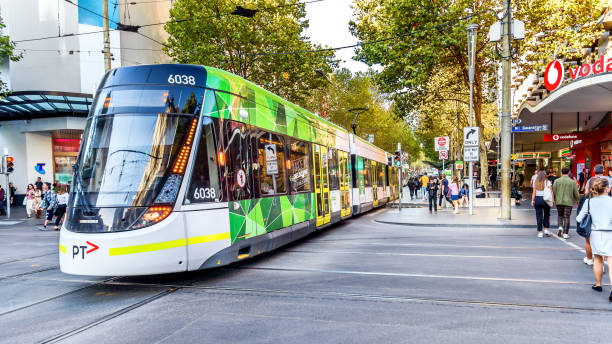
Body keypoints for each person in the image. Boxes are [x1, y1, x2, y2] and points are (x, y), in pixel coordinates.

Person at [576, 178, 612, 301]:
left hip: (595, 234)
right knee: (611, 262)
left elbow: (579, 218)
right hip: (610, 233)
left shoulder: (589, 202)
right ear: (607, 188)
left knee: (597, 259)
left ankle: (598, 284)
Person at [552, 167, 580, 239]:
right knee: (567, 217)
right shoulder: (572, 182)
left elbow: (553, 191)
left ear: (561, 172)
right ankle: (565, 233)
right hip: (568, 202)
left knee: (560, 215)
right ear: (569, 172)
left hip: (559, 201)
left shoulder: (557, 181)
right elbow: (576, 193)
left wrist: (554, 199)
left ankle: (560, 227)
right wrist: (578, 200)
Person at [531, 171, 553, 238]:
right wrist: (553, 200)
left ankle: (540, 232)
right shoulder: (548, 182)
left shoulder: (535, 182)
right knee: (546, 214)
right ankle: (546, 229)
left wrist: (532, 200)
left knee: (539, 216)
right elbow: (551, 192)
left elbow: (534, 192)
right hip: (546, 200)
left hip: (537, 199)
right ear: (545, 176)